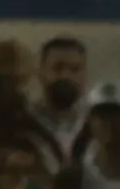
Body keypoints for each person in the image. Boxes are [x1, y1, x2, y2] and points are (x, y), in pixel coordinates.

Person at [29, 38, 87, 172]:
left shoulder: (97, 125)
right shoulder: (22, 124)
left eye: (75, 69)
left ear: (84, 75)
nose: (65, 76)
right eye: (57, 68)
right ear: (41, 72)